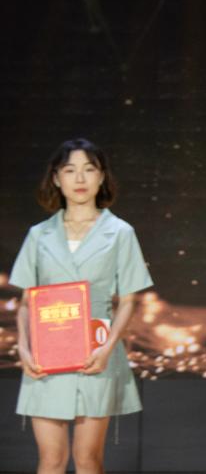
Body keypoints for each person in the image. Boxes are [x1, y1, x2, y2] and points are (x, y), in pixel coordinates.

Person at [11, 139, 153, 474]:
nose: (79, 179)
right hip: (45, 358)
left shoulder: (120, 232)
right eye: (69, 170)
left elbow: (129, 299)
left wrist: (107, 348)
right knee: (51, 459)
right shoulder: (39, 235)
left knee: (88, 459)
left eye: (89, 170)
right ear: (56, 178)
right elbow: (27, 302)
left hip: (95, 353)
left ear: (101, 177)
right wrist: (24, 349)